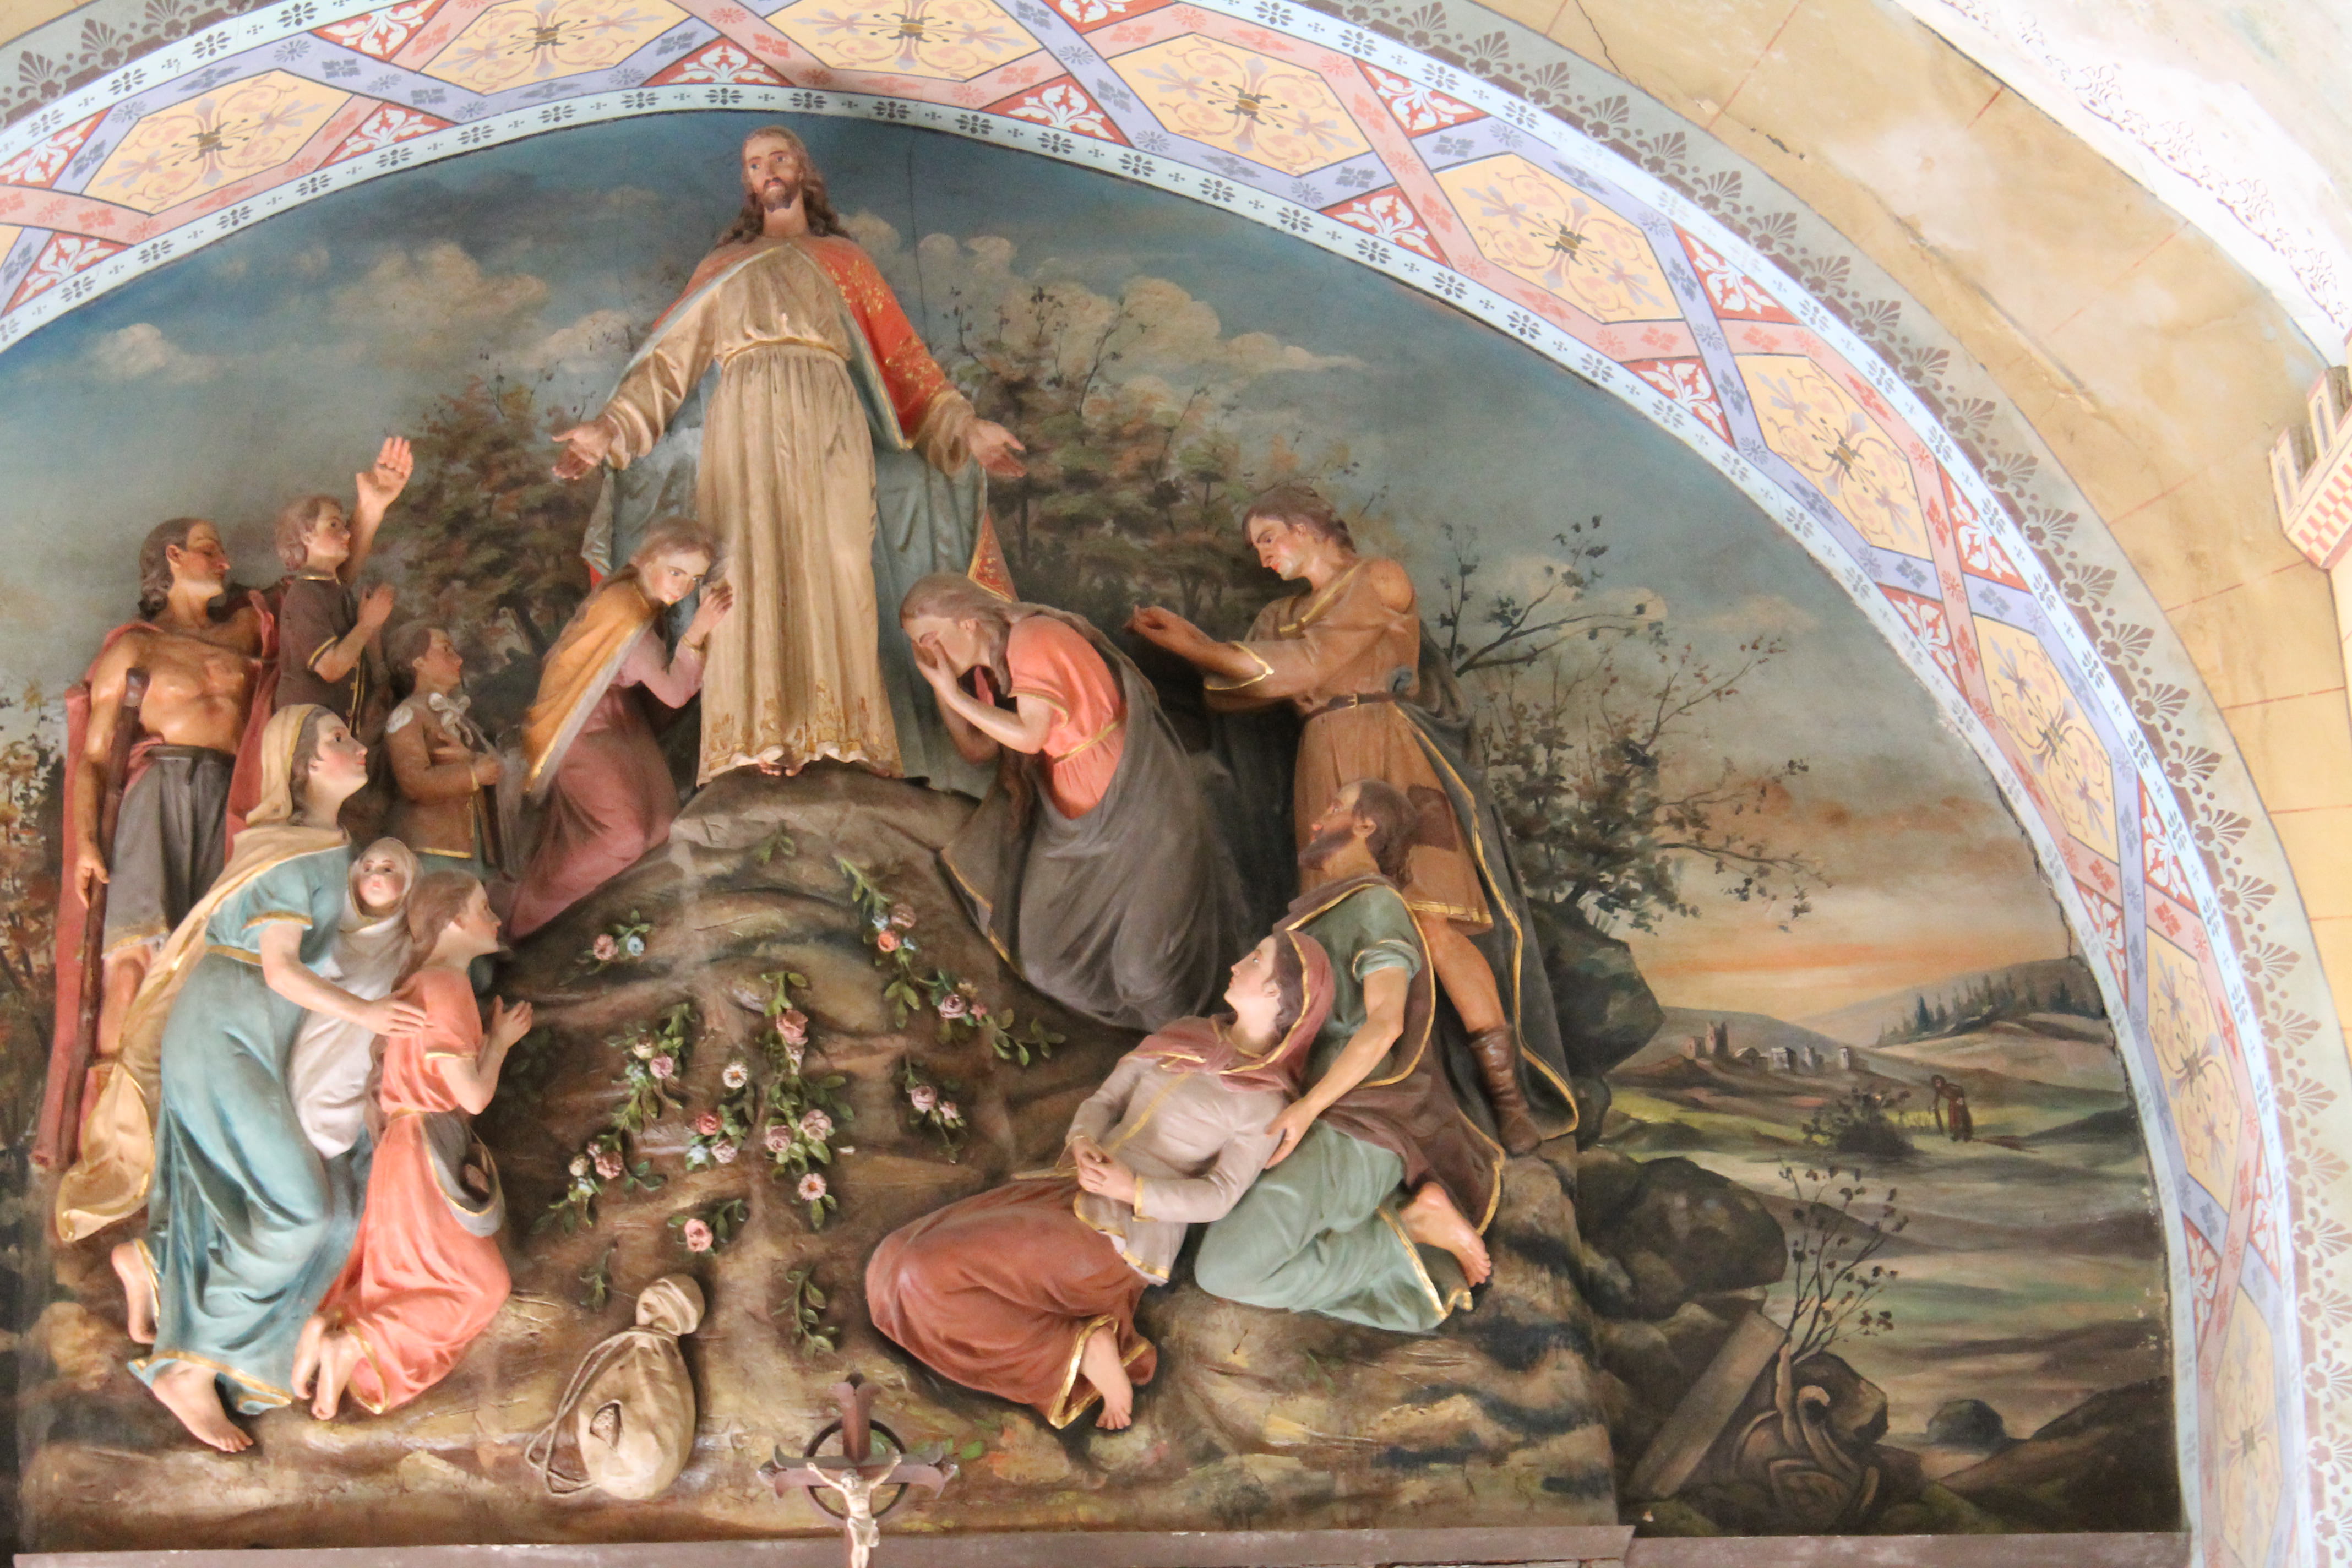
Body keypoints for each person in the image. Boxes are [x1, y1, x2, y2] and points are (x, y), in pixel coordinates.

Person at [553, 124, 1026, 790]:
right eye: (755, 164)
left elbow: (904, 362)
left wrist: (967, 429)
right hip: (744, 426)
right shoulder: (724, 267)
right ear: (747, 182)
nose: (768, 170)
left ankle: (850, 733)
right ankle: (757, 735)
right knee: (744, 567)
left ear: (803, 170)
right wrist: (611, 428)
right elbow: (666, 365)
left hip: (830, 419)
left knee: (843, 561)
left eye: (779, 158)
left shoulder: (844, 261)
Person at [1130, 485, 1569, 1155]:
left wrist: (1201, 646)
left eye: (1269, 537)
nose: (1264, 556)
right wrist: (1199, 656)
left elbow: (1312, 661)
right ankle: (1370, 1098)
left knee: (1433, 921)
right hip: (1321, 760)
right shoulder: (1279, 614)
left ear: (1307, 527)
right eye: (1256, 547)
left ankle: (1508, 1100)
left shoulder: (1378, 579)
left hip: (1392, 753)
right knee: (1339, 929)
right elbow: (1246, 688)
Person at [105, 705, 429, 1452]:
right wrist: (369, 1016)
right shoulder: (290, 854)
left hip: (258, 1036)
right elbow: (281, 969)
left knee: (329, 1214)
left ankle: (162, 1272)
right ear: (303, 765)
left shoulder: (330, 847)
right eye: (338, 740)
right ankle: (189, 1368)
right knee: (298, 1212)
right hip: (226, 1030)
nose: (357, 747)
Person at [868, 930, 1335, 1430]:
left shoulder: (1264, 1102)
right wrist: (1084, 1139)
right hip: (1069, 1189)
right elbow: (1106, 1102)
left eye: (1256, 959)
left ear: (1277, 993)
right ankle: (1078, 1343)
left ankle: (1073, 1350)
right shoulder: (1186, 1034)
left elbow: (1220, 1195)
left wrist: (1132, 1190)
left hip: (1120, 1233)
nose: (1239, 964)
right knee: (890, 1265)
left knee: (921, 1271)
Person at [1193, 780, 1500, 1335]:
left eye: (1334, 808)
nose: (1317, 822)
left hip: (1359, 1123)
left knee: (1224, 1269)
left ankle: (1405, 1237)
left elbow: (1385, 1024)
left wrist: (1308, 1108)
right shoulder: (1326, 912)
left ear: (1366, 825)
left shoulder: (1376, 905)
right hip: (1315, 1113)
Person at [41, 517, 281, 1174]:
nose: (225, 561)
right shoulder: (135, 647)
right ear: (173, 557)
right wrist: (87, 843)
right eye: (210, 549)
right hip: (159, 797)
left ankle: (190, 1140)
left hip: (230, 802)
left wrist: (370, 509)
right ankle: (114, 1153)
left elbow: (322, 585)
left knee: (215, 966)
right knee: (134, 960)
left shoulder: (245, 629)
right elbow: (95, 759)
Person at [903, 574, 1246, 1032]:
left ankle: (1185, 1050)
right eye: (918, 645)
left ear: (967, 622)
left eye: (930, 639)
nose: (927, 652)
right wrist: (942, 687)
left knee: (1146, 971)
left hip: (1138, 808)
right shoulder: (990, 667)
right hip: (1072, 821)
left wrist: (950, 692)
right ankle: (1148, 1045)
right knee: (1047, 961)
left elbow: (1030, 737)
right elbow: (977, 749)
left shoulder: (1034, 639)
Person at [297, 871, 526, 1419]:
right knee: (483, 1286)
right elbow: (471, 1097)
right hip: (426, 1150)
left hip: (404, 1151)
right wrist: (500, 1042)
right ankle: (354, 1343)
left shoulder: (422, 984)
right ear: (453, 919)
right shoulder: (447, 987)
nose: (495, 918)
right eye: (483, 907)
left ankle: (335, 1327)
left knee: (412, 1278)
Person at [509, 519, 734, 938]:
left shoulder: (639, 601)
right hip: (582, 729)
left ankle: (604, 923)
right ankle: (525, 922)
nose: (685, 587)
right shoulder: (626, 613)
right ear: (645, 561)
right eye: (677, 572)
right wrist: (698, 632)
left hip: (619, 720)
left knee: (662, 827)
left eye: (694, 579)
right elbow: (674, 693)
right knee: (624, 836)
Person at [286, 839, 418, 1161]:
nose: (375, 876)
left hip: (362, 1049)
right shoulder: (330, 932)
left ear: (410, 883)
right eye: (368, 868)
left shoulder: (409, 945)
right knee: (311, 1095)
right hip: (322, 1035)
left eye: (388, 869)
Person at [270, 438, 413, 728]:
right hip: (309, 734)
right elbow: (331, 667)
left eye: (344, 525)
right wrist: (369, 623)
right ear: (306, 535)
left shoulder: (331, 588)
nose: (347, 534)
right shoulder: (305, 594)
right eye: (334, 525)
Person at [382, 623, 502, 881]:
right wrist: (473, 775)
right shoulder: (409, 714)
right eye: (446, 650)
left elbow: (490, 767)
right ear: (418, 662)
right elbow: (413, 782)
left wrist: (474, 761)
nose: (458, 659)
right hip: (433, 847)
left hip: (471, 848)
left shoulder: (457, 717)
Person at [1931, 1075, 1974, 1142]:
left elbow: (1960, 1089)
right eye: (1935, 1083)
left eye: (1938, 1082)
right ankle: (1957, 1135)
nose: (1937, 1084)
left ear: (1942, 1082)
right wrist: (1934, 1105)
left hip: (1959, 1103)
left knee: (1963, 1118)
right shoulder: (1939, 1090)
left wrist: (1961, 1098)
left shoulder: (1949, 1087)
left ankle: (1967, 1136)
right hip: (1952, 1105)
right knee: (1953, 1121)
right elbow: (1937, 1099)